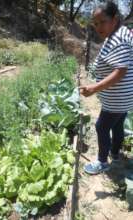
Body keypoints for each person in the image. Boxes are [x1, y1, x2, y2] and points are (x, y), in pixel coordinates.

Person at [80, 1, 133, 174]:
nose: (98, 27)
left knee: (101, 127)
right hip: (123, 97)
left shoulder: (118, 38)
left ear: (115, 18)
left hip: (117, 99)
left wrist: (95, 88)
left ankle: (102, 162)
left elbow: (120, 71)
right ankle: (115, 154)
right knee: (117, 126)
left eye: (102, 21)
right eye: (95, 23)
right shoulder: (120, 33)